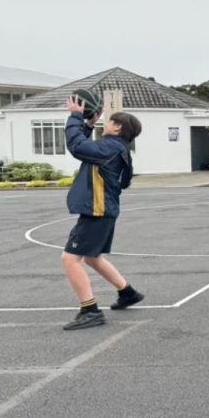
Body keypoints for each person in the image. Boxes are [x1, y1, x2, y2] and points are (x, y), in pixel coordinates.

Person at [60, 95, 144, 331]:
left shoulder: (109, 147)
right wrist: (87, 125)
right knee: (91, 256)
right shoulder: (117, 148)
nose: (104, 123)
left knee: (70, 258)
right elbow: (86, 147)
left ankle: (90, 311)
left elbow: (77, 147)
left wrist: (76, 116)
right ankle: (127, 293)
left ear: (117, 128)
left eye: (109, 121)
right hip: (104, 209)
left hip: (97, 210)